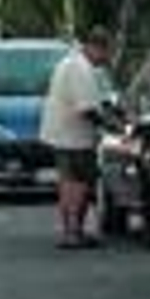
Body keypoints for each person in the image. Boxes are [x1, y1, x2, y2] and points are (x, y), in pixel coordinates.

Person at [40, 26, 114, 249]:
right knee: (78, 183)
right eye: (106, 52)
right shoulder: (80, 68)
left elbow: (97, 99)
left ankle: (73, 230)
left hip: (63, 133)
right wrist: (112, 126)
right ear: (95, 47)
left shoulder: (72, 63)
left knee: (69, 181)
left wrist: (109, 112)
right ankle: (73, 232)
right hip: (73, 135)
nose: (106, 58)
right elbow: (87, 109)